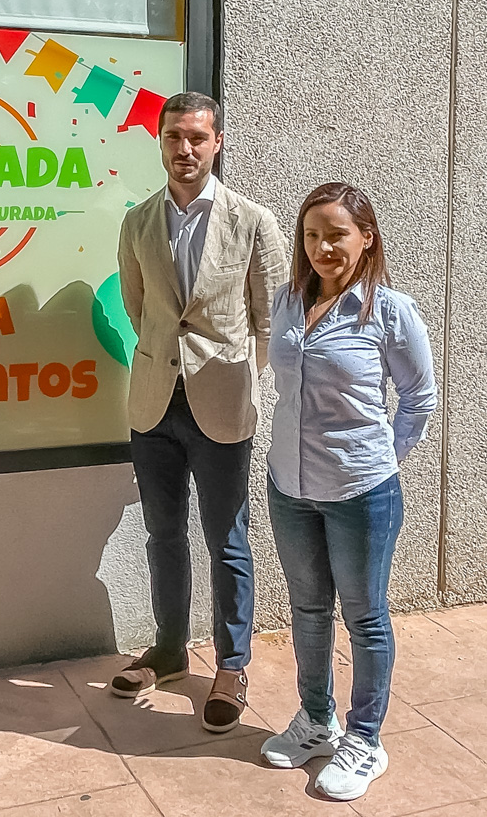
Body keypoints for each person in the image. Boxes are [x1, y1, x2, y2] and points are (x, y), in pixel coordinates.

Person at [111, 91, 288, 734]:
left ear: (217, 144)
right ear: (159, 143)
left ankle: (233, 663)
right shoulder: (136, 222)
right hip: (154, 401)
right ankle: (167, 648)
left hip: (220, 402)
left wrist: (237, 379)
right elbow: (139, 308)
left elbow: (268, 321)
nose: (184, 150)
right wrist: (168, 356)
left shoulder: (252, 221)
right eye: (172, 138)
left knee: (227, 540)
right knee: (163, 533)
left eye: (197, 138)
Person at [259, 182, 437, 800]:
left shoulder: (389, 311)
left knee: (364, 616)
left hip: (361, 490)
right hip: (290, 485)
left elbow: (419, 400)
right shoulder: (286, 301)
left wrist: (381, 459)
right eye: (312, 235)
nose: (323, 247)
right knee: (307, 611)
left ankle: (365, 739)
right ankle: (315, 719)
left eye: (337, 234)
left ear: (366, 238)